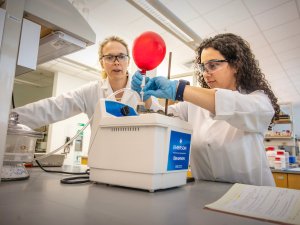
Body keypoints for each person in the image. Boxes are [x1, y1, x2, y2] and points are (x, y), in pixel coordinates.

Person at [131, 33, 280, 186]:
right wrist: (145, 95)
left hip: (251, 197)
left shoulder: (258, 100)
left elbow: (230, 103)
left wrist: (179, 89)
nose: (206, 73)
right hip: (204, 196)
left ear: (236, 65)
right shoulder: (193, 105)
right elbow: (161, 116)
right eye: (203, 67)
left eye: (213, 65)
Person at [13, 36, 150, 129]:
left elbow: (161, 116)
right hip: (101, 162)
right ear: (102, 63)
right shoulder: (91, 91)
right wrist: (8, 118)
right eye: (109, 57)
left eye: (121, 56)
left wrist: (149, 97)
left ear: (128, 61)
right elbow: (53, 107)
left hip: (136, 163)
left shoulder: (143, 90)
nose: (116, 62)